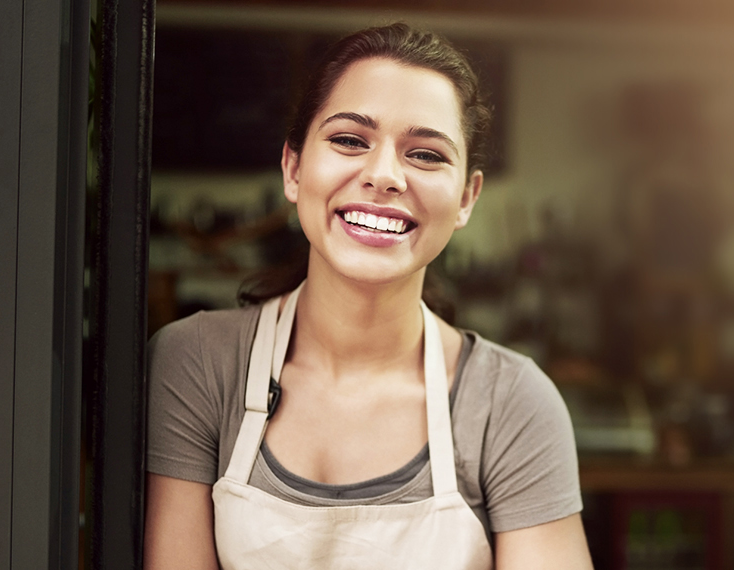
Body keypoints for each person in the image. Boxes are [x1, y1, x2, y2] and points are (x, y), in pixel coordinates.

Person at [144, 24, 592, 569]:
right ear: (293, 167)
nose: (384, 176)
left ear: (467, 198)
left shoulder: (511, 404)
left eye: (426, 155)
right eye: (350, 140)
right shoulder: (196, 365)